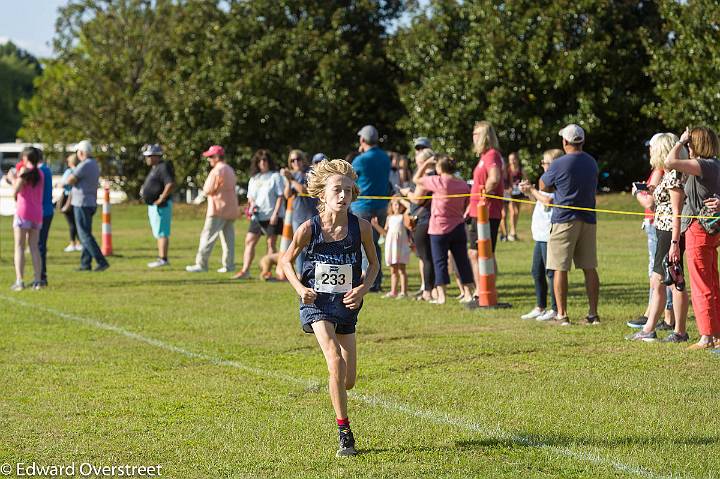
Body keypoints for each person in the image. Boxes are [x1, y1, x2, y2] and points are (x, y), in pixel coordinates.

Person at [279, 159, 379, 458]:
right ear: (322, 194)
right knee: (334, 360)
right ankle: (344, 432)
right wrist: (300, 289)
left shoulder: (360, 227)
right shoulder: (309, 228)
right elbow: (285, 261)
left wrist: (362, 289)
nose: (343, 196)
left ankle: (340, 397)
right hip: (317, 303)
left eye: (348, 191)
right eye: (337, 190)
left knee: (348, 379)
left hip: (347, 305)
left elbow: (374, 264)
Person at [626, 133, 689, 342]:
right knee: (658, 280)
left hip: (670, 233)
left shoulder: (676, 174)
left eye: (654, 149)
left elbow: (677, 211)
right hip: (662, 230)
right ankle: (649, 328)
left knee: (674, 281)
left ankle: (680, 331)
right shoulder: (668, 173)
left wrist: (674, 242)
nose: (651, 152)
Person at [665, 126, 720, 350]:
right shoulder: (716, 164)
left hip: (699, 231)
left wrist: (679, 141)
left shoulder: (703, 165)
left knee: (701, 285)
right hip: (711, 231)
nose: (687, 147)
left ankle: (706, 336)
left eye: (690, 144)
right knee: (712, 283)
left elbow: (669, 162)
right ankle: (715, 333)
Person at [540, 124, 599, 326]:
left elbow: (543, 184)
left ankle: (562, 315)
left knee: (559, 268)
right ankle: (593, 314)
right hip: (589, 219)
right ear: (581, 141)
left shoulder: (559, 163)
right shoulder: (592, 162)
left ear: (565, 142)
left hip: (564, 219)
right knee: (589, 267)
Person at [414, 154, 474, 304]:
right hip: (459, 227)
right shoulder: (462, 184)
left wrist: (425, 164)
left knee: (440, 262)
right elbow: (468, 201)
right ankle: (468, 293)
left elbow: (416, 180)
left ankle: (442, 296)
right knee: (462, 261)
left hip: (439, 229)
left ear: (439, 168)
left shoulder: (438, 181)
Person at [518, 149, 562, 321]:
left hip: (549, 234)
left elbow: (548, 201)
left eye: (546, 162)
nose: (543, 165)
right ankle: (540, 306)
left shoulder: (557, 182)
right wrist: (529, 192)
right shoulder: (545, 182)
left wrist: (533, 191)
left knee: (550, 273)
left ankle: (555, 308)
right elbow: (538, 200)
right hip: (540, 235)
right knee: (536, 272)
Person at [186, 145, 238, 273]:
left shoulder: (217, 170)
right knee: (228, 240)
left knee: (207, 237)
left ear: (216, 157)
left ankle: (201, 264)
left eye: (210, 157)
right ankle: (229, 265)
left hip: (217, 209)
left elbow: (207, 189)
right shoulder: (230, 169)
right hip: (230, 209)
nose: (209, 160)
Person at [234, 149, 285, 279]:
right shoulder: (254, 178)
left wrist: (276, 213)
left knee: (270, 244)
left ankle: (268, 271)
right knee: (249, 241)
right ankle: (245, 270)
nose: (262, 163)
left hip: (272, 215)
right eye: (260, 160)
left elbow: (280, 196)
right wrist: (251, 206)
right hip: (257, 216)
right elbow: (250, 197)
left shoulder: (275, 176)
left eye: (265, 160)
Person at [352, 125, 391, 292]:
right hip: (381, 206)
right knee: (374, 244)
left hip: (362, 206)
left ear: (362, 140)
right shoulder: (385, 157)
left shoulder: (360, 160)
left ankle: (369, 281)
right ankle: (376, 280)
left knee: (364, 245)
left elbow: (350, 178)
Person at [468, 121, 504, 295]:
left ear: (485, 136)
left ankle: (486, 290)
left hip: (488, 212)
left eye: (476, 134)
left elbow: (494, 178)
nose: (473, 138)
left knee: (485, 252)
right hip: (477, 211)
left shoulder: (492, 155)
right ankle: (480, 290)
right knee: (475, 253)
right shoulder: (483, 157)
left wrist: (483, 192)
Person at [66, 140, 110, 272]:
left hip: (81, 202)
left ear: (81, 152)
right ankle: (85, 263)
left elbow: (70, 179)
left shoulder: (84, 165)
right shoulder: (94, 164)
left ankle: (101, 261)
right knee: (86, 233)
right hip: (90, 201)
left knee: (84, 235)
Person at [402, 148, 436, 302]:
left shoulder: (427, 176)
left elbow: (417, 199)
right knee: (429, 257)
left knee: (425, 257)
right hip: (429, 218)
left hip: (423, 220)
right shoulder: (436, 175)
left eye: (419, 162)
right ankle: (432, 289)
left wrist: (406, 192)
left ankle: (428, 291)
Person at [11, 147, 45, 290]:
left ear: (26, 158)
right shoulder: (41, 173)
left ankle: (20, 280)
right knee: (34, 247)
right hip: (37, 213)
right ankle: (38, 280)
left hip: (23, 211)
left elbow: (16, 190)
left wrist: (12, 178)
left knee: (19, 246)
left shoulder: (25, 171)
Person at [282, 150, 321, 272]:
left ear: (303, 159)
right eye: (292, 160)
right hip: (297, 216)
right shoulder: (293, 175)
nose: (296, 162)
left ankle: (314, 273)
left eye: (298, 159)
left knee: (313, 246)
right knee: (298, 247)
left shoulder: (310, 173)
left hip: (311, 215)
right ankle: (300, 274)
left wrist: (292, 180)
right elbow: (287, 195)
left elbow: (305, 190)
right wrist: (288, 181)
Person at [140, 144, 175, 268]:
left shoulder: (163, 167)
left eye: (150, 156)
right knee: (158, 233)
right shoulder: (155, 168)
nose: (147, 158)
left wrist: (161, 198)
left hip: (162, 206)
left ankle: (163, 258)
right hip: (154, 206)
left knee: (162, 233)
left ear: (157, 156)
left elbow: (169, 184)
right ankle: (161, 257)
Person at [371, 197, 411, 298]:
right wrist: (376, 225)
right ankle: (393, 292)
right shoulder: (389, 218)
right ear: (391, 206)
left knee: (402, 269)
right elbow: (385, 233)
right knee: (393, 270)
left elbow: (410, 207)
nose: (397, 206)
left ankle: (403, 292)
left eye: (399, 205)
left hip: (401, 246)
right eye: (395, 204)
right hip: (391, 246)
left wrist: (400, 199)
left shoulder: (403, 217)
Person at [37, 150, 54, 286]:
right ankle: (41, 274)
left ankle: (41, 276)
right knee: (41, 244)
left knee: (39, 245)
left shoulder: (40, 171)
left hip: (41, 212)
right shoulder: (47, 170)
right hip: (48, 211)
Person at [60, 154, 81, 252]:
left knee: (71, 223)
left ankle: (73, 243)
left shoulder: (69, 171)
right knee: (77, 222)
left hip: (68, 197)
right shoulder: (80, 170)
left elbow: (63, 183)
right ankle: (79, 242)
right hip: (77, 198)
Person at [505, 152, 525, 241]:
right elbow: (505, 181)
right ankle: (512, 232)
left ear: (517, 160)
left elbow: (525, 179)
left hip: (518, 193)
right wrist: (508, 188)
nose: (512, 161)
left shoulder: (521, 170)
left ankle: (513, 231)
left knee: (516, 213)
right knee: (512, 212)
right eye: (510, 159)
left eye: (514, 159)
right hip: (510, 194)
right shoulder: (508, 170)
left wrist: (523, 185)